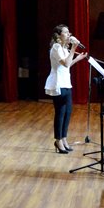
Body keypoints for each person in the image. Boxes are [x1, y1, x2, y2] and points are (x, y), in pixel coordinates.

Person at [44, 25, 87, 154]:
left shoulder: (63, 48)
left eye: (69, 32)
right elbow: (66, 63)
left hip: (66, 83)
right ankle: (58, 140)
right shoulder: (56, 47)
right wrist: (73, 48)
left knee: (68, 113)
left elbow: (67, 65)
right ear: (58, 35)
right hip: (58, 84)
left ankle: (64, 138)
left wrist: (78, 58)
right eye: (66, 33)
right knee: (60, 113)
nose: (69, 35)